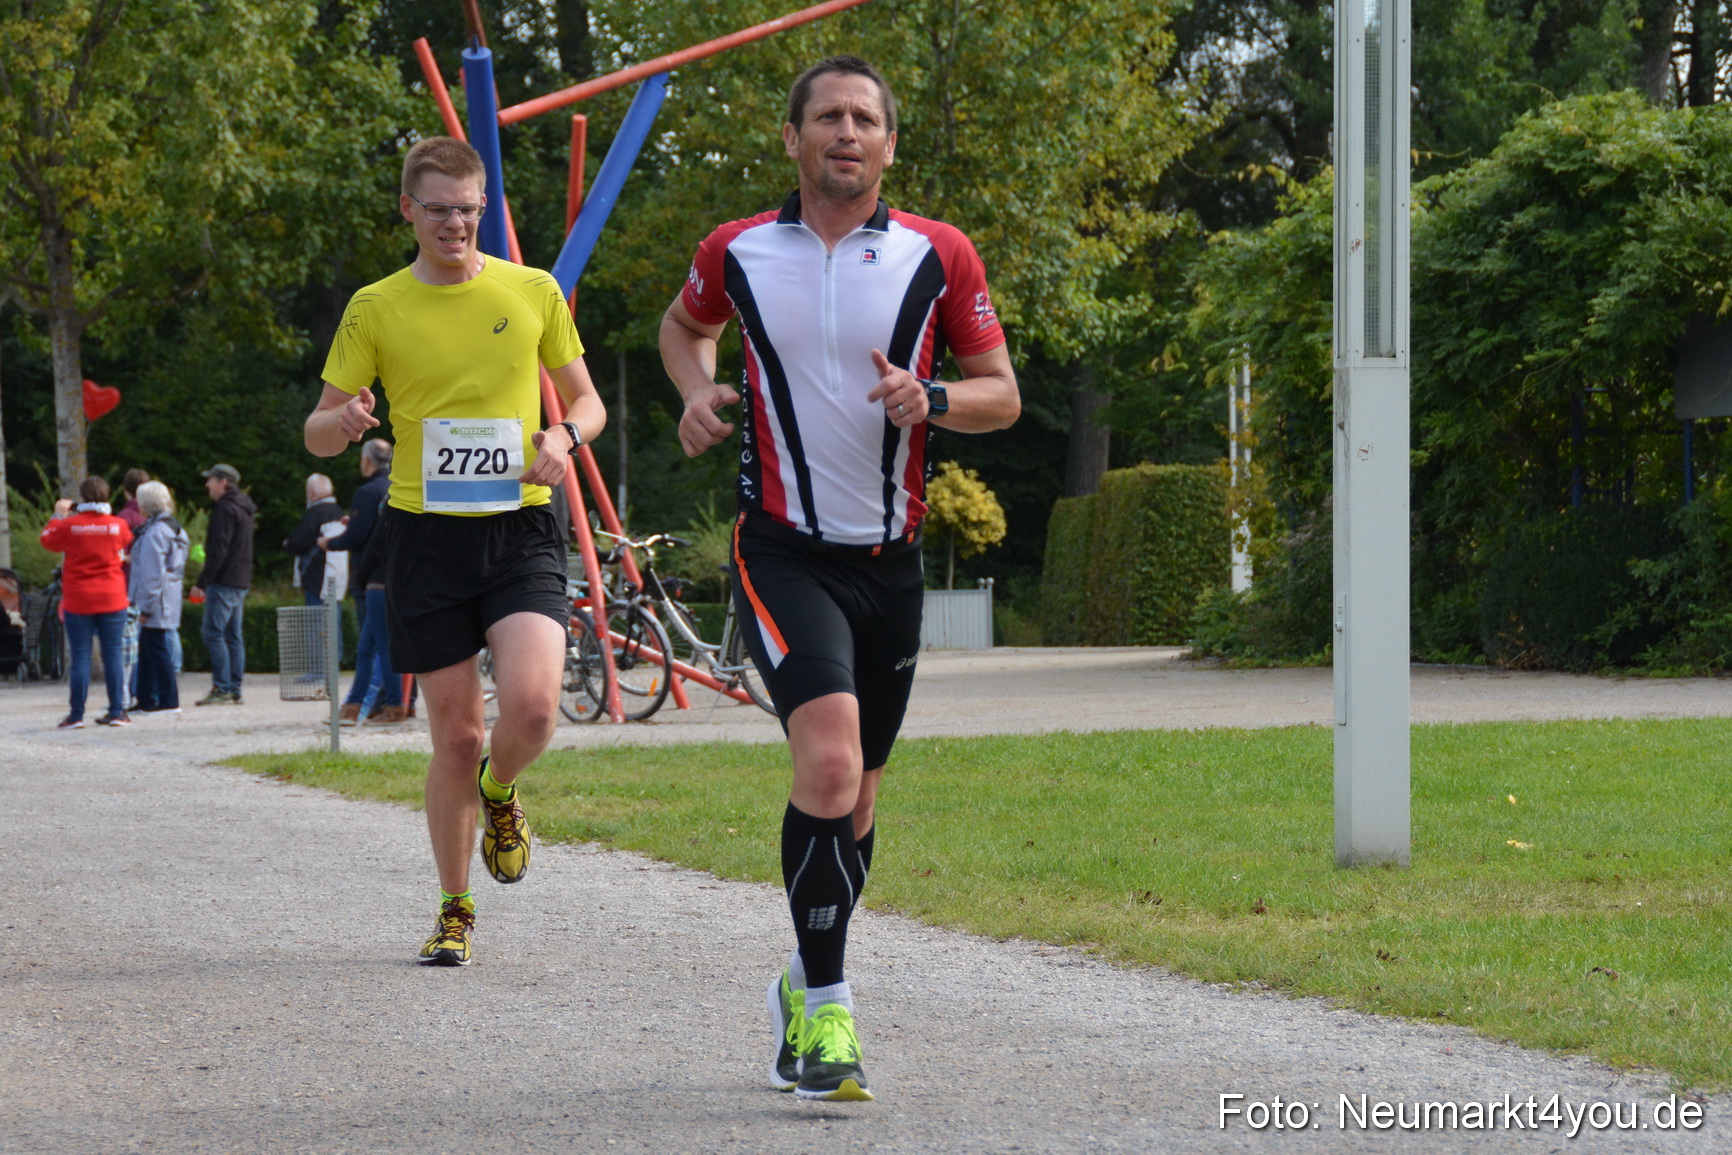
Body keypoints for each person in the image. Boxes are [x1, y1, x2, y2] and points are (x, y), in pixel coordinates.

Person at [660, 56, 1020, 1102]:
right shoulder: (737, 251)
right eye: (828, 116)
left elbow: (1001, 394)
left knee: (856, 796)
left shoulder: (936, 255)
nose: (847, 132)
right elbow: (683, 330)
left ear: (889, 144)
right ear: (793, 138)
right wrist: (693, 391)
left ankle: (798, 982)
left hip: (889, 563)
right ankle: (828, 1013)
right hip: (779, 547)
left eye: (865, 119)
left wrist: (935, 398)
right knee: (825, 764)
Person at [304, 136, 606, 967]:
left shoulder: (532, 289)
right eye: (437, 208)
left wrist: (564, 435)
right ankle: (455, 908)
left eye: (468, 208)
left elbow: (588, 400)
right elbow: (318, 430)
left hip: (520, 526)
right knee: (456, 735)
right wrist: (347, 422)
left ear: (483, 207)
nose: (455, 224)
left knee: (534, 709)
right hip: (424, 535)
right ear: (408, 209)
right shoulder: (376, 307)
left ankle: (501, 793)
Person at [40, 477, 135, 728]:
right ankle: (117, 712)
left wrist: (57, 515)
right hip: (113, 597)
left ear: (82, 498)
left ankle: (76, 715)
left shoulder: (71, 525)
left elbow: (47, 540)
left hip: (79, 598)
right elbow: (127, 543)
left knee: (80, 656)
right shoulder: (118, 525)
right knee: (113, 656)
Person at [320, 439, 402, 725]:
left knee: (382, 644)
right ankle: (354, 705)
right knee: (368, 646)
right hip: (394, 576)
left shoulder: (369, 492)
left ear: (367, 461)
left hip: (375, 578)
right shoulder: (395, 488)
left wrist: (329, 543)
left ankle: (394, 704)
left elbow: (366, 540)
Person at [190, 463, 256, 706]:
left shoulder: (224, 509)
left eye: (211, 480)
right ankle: (234, 687)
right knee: (233, 635)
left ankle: (222, 687)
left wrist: (202, 583)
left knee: (213, 633)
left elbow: (218, 549)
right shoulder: (244, 508)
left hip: (224, 580)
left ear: (223, 482)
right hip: (240, 579)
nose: (207, 484)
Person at [128, 481, 190, 713]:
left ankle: (168, 700)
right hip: (168, 598)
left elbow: (152, 574)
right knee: (148, 649)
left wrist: (144, 608)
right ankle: (146, 700)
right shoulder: (173, 527)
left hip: (156, 602)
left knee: (155, 649)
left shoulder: (154, 532)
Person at [284, 473, 344, 606]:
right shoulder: (339, 512)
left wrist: (287, 543)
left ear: (311, 493)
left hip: (316, 578)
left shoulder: (316, 513)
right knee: (333, 621)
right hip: (337, 578)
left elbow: (297, 543)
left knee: (315, 623)